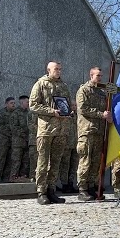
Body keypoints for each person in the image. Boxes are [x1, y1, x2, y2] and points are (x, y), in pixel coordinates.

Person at [29, 61, 76, 205]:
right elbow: (33, 105)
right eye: (56, 69)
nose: (59, 71)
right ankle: (41, 192)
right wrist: (51, 112)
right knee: (43, 162)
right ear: (48, 70)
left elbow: (66, 104)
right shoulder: (40, 84)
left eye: (60, 69)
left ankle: (51, 190)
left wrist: (69, 112)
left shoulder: (63, 86)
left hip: (61, 130)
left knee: (56, 162)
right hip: (46, 130)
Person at [76, 66, 113, 201]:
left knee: (96, 161)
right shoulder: (83, 90)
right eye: (98, 76)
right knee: (85, 160)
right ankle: (82, 189)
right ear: (91, 75)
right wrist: (101, 114)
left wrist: (107, 116)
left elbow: (106, 109)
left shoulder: (102, 93)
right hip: (87, 130)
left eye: (101, 76)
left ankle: (91, 186)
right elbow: (83, 109)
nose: (100, 78)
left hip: (99, 131)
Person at [0, 96, 16, 183]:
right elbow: (0, 127)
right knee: (0, 159)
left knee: (10, 160)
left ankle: (6, 178)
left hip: (13, 141)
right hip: (3, 140)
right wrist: (10, 132)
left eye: (14, 103)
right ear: (6, 104)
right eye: (11, 103)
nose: (13, 105)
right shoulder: (1, 113)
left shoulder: (16, 113)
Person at [8, 95, 31, 182]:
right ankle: (13, 178)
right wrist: (24, 133)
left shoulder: (28, 113)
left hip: (26, 141)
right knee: (16, 161)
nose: (28, 104)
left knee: (25, 161)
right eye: (27, 102)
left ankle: (22, 177)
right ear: (22, 102)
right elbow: (13, 127)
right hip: (18, 142)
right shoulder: (15, 113)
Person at [57, 126, 79, 193]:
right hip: (67, 143)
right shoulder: (66, 115)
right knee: (65, 164)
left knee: (74, 164)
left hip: (76, 142)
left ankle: (70, 183)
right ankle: (64, 184)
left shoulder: (77, 116)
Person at [27, 108, 38, 182]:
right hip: (34, 142)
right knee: (33, 163)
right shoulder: (31, 113)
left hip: (43, 141)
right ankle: (32, 180)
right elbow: (31, 126)